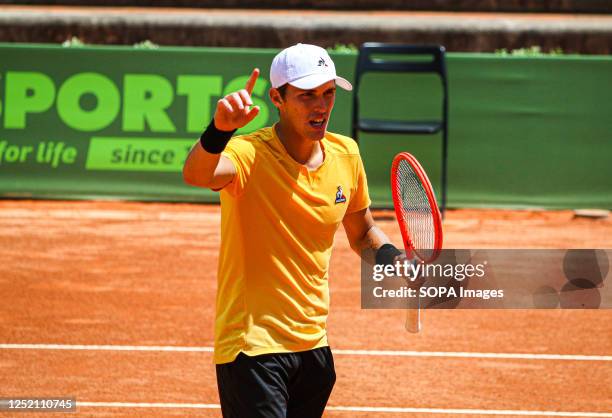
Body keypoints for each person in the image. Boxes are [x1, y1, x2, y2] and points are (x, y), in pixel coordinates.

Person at [183, 43, 402, 418]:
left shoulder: (347, 154)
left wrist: (393, 260)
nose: (321, 106)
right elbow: (197, 174)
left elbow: (362, 233)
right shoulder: (249, 154)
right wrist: (219, 131)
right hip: (252, 349)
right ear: (277, 98)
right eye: (307, 96)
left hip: (314, 348)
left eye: (328, 93)